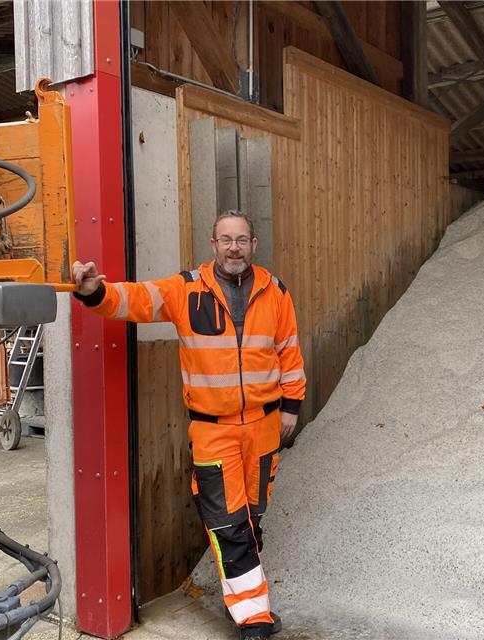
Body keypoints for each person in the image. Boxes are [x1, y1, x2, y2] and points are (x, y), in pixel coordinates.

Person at [72, 210, 304, 639]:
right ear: (213, 246)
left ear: (254, 245)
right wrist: (93, 292)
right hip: (213, 430)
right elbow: (136, 299)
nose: (234, 247)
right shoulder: (185, 290)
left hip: (264, 427)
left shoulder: (277, 293)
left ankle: (245, 578)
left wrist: (292, 406)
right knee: (227, 523)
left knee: (252, 515)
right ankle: (254, 618)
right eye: (225, 239)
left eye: (241, 239)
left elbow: (289, 352)